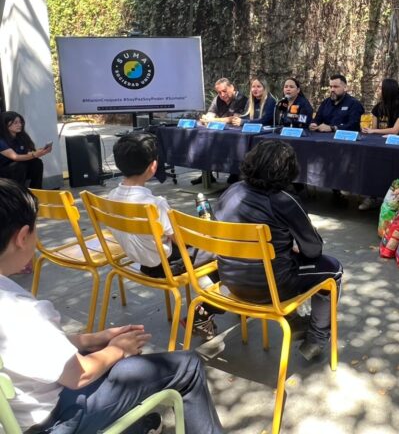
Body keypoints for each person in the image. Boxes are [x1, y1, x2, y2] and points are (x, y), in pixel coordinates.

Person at [0, 178, 224, 434]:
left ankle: (138, 424)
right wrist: (117, 348)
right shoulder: (22, 311)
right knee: (188, 365)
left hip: (19, 409)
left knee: (123, 364)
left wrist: (89, 340)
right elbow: (79, 375)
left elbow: (29, 346)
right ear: (22, 237)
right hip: (53, 418)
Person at [215, 140, 343, 362]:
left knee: (279, 262)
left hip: (229, 281)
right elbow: (313, 250)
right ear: (288, 171)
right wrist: (291, 247)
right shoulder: (284, 200)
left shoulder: (231, 191)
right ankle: (317, 338)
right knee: (333, 269)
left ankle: (295, 321)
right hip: (271, 289)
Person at [107, 133, 219, 340]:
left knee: (200, 253)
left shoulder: (110, 198)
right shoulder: (154, 204)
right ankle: (205, 311)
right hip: (165, 266)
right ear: (153, 166)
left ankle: (206, 294)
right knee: (216, 252)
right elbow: (181, 240)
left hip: (138, 261)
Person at [358, 79, 399, 210]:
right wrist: (368, 130)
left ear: (388, 90)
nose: (378, 90)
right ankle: (371, 196)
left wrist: (374, 130)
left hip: (397, 146)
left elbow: (395, 130)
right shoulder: (377, 108)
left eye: (380, 88)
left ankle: (396, 199)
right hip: (379, 145)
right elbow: (374, 129)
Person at [0, 111, 52, 189]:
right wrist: (34, 154)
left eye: (20, 122)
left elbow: (28, 153)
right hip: (4, 170)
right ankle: (19, 193)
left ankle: (37, 190)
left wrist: (40, 152)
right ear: (5, 124)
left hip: (19, 168)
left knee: (37, 162)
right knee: (19, 166)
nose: (19, 125)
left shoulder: (21, 137)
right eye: (15, 123)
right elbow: (15, 157)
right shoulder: (1, 140)